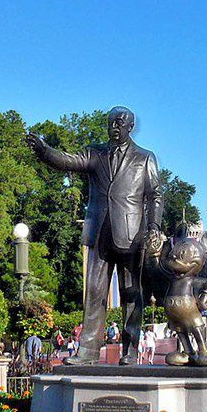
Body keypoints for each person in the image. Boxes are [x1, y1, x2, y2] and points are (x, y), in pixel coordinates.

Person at [26, 106, 163, 366]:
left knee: (131, 294)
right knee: (94, 293)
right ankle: (87, 351)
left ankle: (130, 351)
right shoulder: (94, 153)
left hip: (132, 234)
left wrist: (154, 226)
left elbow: (155, 195)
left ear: (130, 127)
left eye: (119, 123)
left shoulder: (145, 158)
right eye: (111, 122)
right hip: (99, 232)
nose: (114, 127)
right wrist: (44, 151)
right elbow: (67, 160)